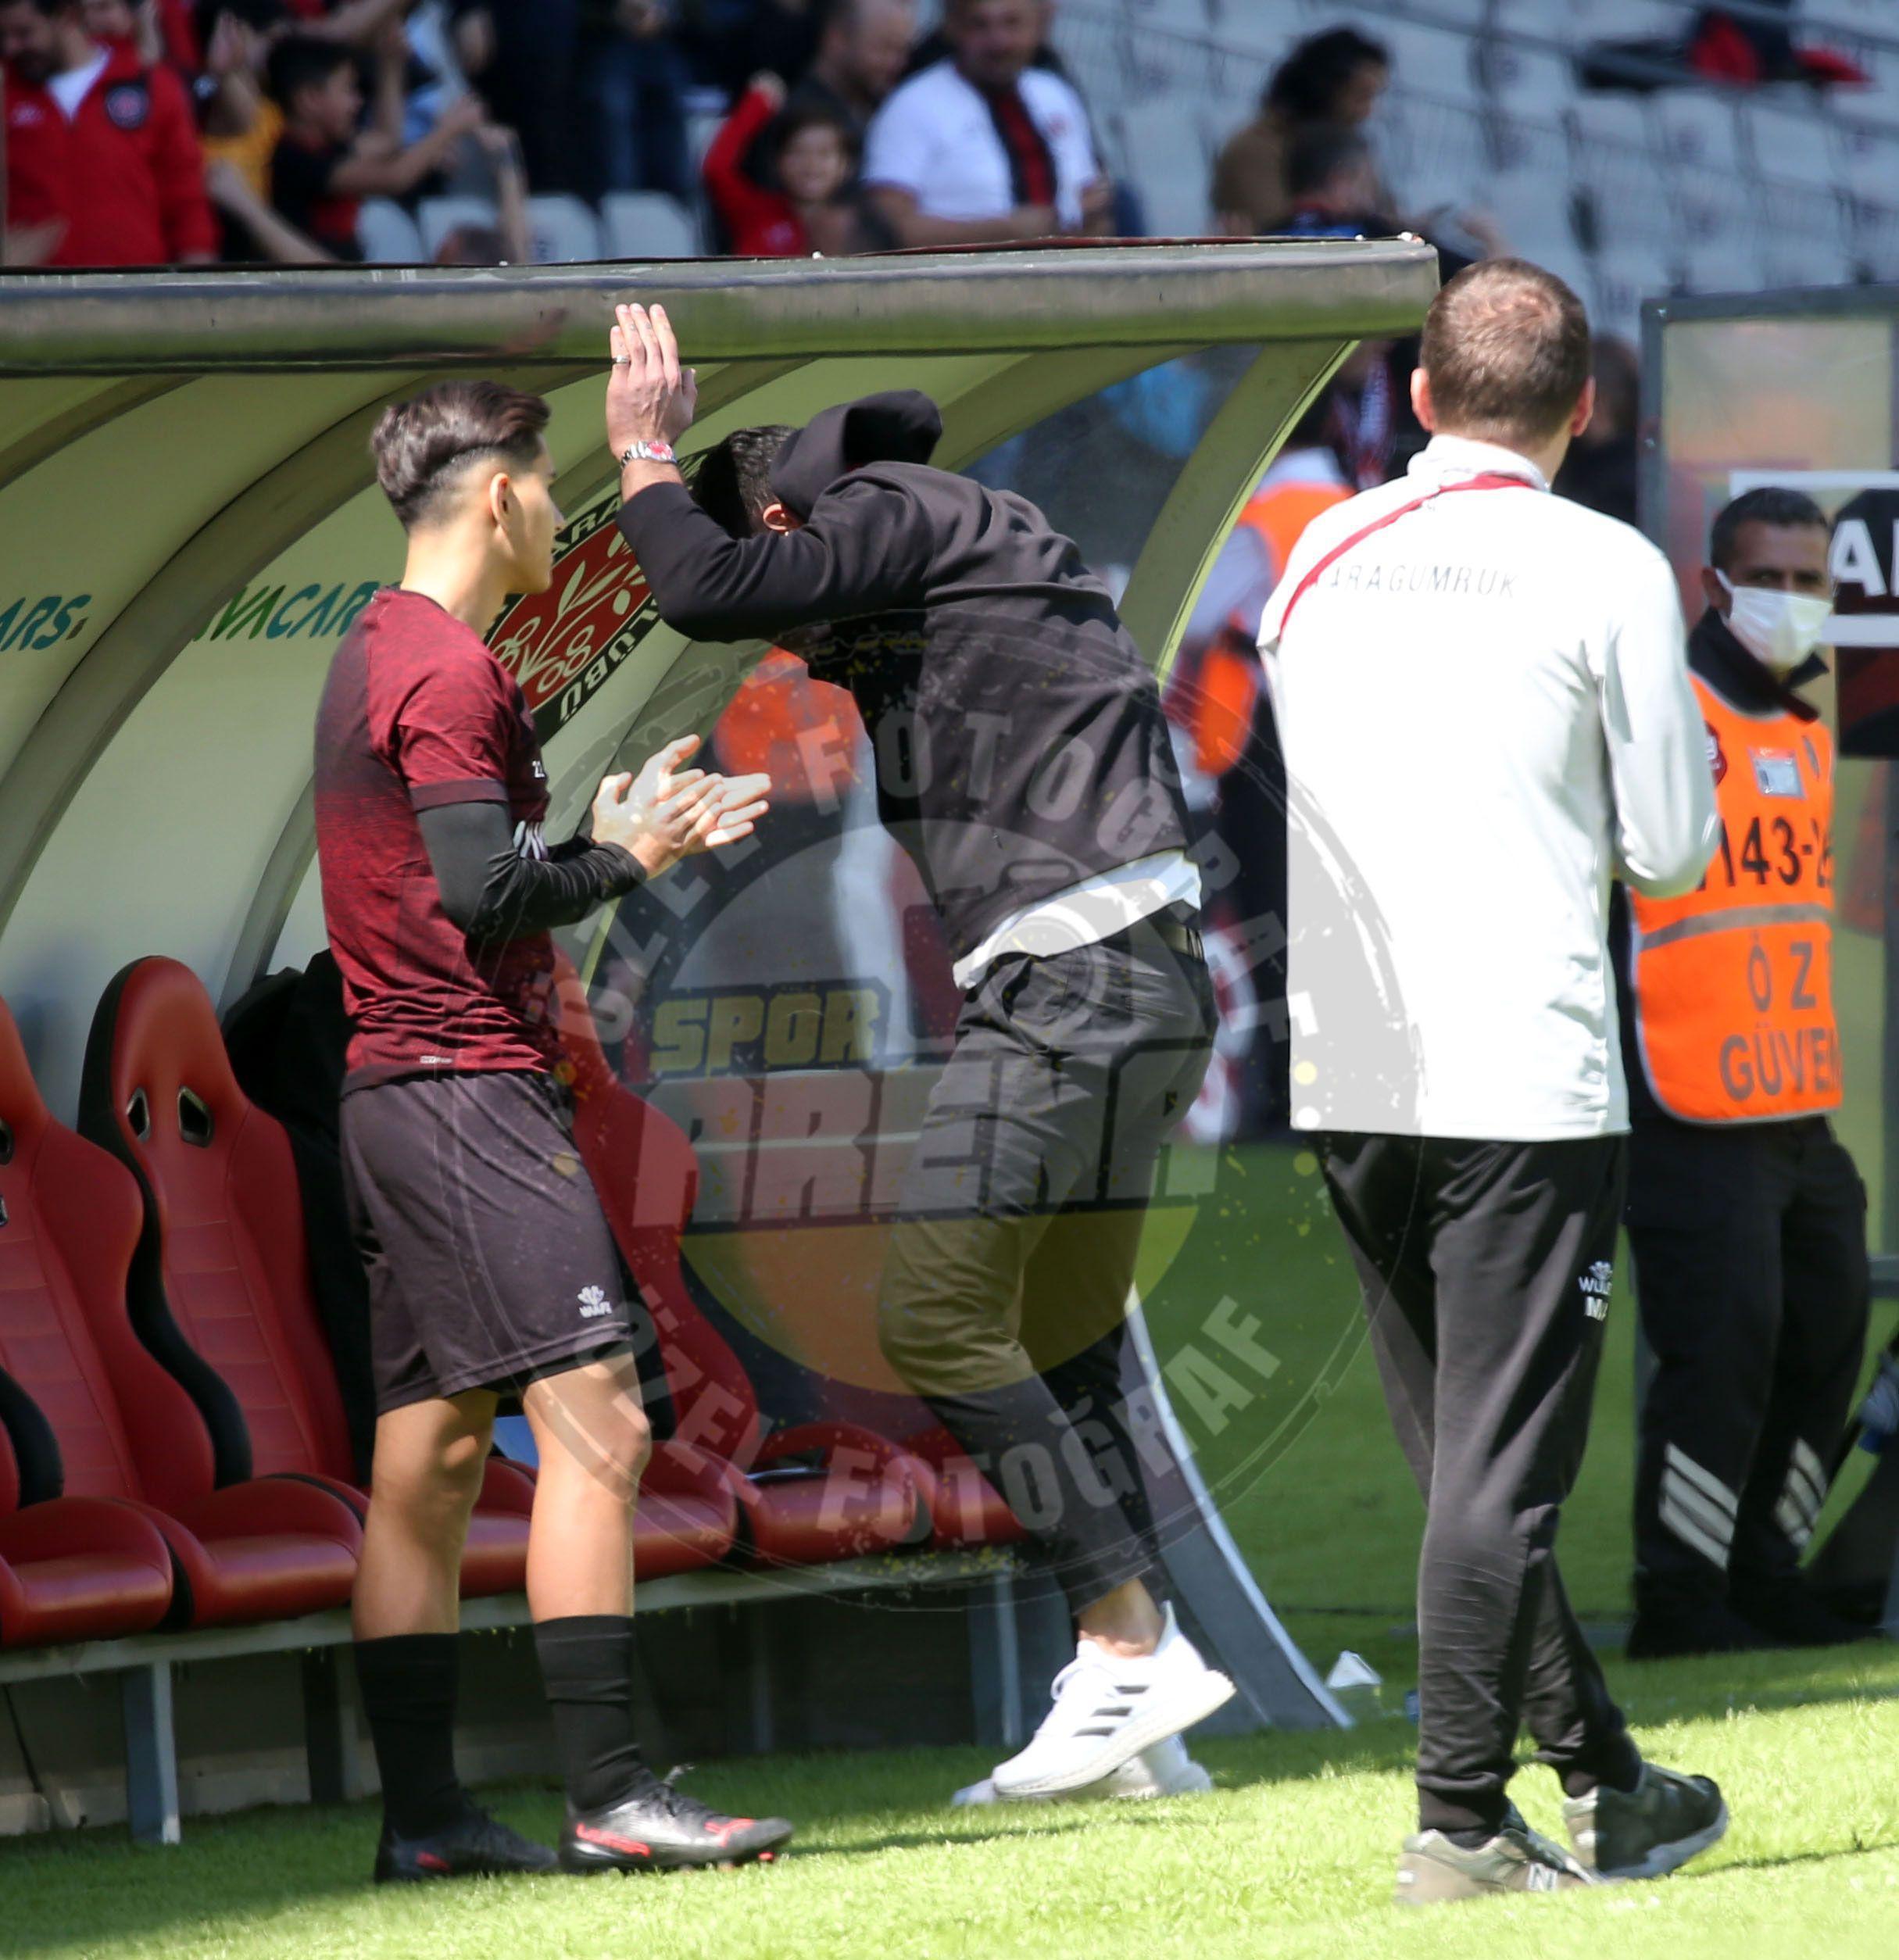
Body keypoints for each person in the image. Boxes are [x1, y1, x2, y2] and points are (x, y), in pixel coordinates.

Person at [607, 300, 1235, 1804]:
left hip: (1075, 977)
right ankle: (1144, 1731)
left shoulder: (887, 508)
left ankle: (1128, 1642)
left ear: (782, 510)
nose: (789, 638)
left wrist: (640, 452)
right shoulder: (978, 541)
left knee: (937, 1313)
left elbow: (704, 589)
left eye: (788, 589)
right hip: (1137, 976)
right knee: (1067, 1349)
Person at [1260, 259, 1728, 1903]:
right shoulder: (1602, 563)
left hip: (1352, 1054)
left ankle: (1604, 1783)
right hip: (1522, 1061)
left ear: (1417, 395)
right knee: (1498, 1472)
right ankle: (1459, 1821)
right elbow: (1674, 848)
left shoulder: (1319, 548)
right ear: (1584, 412)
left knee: (1461, 1458)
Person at [313, 377, 785, 1883]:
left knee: (434, 1458)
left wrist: (605, 836)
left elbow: (471, 868)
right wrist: (628, 853)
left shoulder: (378, 647)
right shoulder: (446, 666)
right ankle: (612, 1793)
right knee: (606, 1419)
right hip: (461, 1093)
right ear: (501, 494)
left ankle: (427, 1826)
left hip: (396, 1094)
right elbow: (486, 894)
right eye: (547, 477)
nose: (561, 505)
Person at [1616, 487, 1872, 1658]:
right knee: (1717, 1359)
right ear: (1715, 584)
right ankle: (1680, 1600)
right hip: (1684, 1092)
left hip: (1793, 1102)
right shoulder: (1672, 716)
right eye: (1770, 576)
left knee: (1824, 1333)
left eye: (1813, 581)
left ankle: (1764, 1572)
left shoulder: (1804, 720)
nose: (1793, 600)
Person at [860, 0, 1108, 247]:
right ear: (953, 28)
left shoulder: (1056, 93)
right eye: (980, 25)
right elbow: (888, 230)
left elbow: (1094, 201)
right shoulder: (910, 106)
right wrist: (1007, 230)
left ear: (1037, 26)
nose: (999, 42)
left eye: (1012, 23)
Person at [0, 0, 217, 267]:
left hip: (135, 293)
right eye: (3, 36)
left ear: (67, 16)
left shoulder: (151, 86)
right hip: (30, 296)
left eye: (24, 33)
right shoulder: (6, 95)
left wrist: (197, 287)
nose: (11, 47)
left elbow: (185, 200)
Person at [266, 32, 488, 261]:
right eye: (347, 90)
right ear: (309, 99)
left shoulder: (328, 146)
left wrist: (391, 67)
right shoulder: (296, 158)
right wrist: (447, 130)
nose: (357, 102)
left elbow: (387, 140)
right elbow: (395, 177)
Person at [1211, 24, 1387, 238]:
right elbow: (1282, 238)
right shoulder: (1253, 150)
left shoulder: (1349, 146)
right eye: (1361, 96)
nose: (1367, 112)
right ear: (1326, 89)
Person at [703, 70, 858, 256]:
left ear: (846, 164)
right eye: (798, 152)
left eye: (824, 154)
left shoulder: (857, 224)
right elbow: (717, 168)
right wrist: (758, 104)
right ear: (778, 161)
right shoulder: (755, 213)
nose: (811, 164)